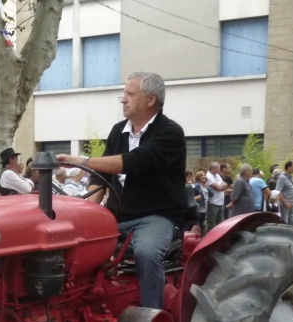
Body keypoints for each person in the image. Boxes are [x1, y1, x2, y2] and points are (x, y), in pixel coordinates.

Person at [57, 71, 186, 309]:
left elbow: (134, 162)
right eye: (124, 93)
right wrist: (89, 212)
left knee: (147, 253)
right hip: (118, 217)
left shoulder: (170, 132)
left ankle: (150, 319)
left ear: (150, 100)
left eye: (130, 93)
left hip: (157, 216)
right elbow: (101, 177)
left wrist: (81, 160)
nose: (123, 99)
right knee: (75, 247)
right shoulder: (118, 131)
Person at [204, 162, 227, 234]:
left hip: (221, 202)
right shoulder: (209, 176)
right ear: (213, 169)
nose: (219, 170)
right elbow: (219, 187)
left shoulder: (217, 175)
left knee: (220, 223)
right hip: (213, 203)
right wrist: (220, 187)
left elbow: (225, 184)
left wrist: (221, 187)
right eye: (218, 169)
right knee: (211, 223)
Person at [275, 161, 293, 226]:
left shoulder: (291, 177)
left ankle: (291, 235)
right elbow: (278, 191)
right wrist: (285, 201)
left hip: (291, 204)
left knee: (292, 223)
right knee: (285, 222)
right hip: (285, 204)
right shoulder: (282, 177)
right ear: (288, 167)